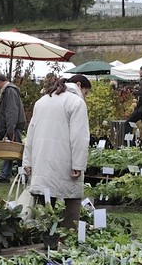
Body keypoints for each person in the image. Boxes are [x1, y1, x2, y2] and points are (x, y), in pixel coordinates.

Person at [23, 74, 91, 230]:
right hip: (65, 161)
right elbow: (79, 138)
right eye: (86, 92)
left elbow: (30, 133)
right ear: (79, 85)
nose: (85, 96)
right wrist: (78, 165)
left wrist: (27, 161)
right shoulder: (76, 103)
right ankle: (69, 236)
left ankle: (42, 235)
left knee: (44, 202)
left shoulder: (41, 101)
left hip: (41, 161)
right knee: (72, 201)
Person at [0, 73, 25, 183]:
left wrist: (11, 128)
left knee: (18, 152)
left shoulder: (10, 91)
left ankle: (22, 175)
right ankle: (5, 175)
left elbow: (12, 110)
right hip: (11, 126)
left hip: (14, 126)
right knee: (9, 150)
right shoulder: (7, 91)